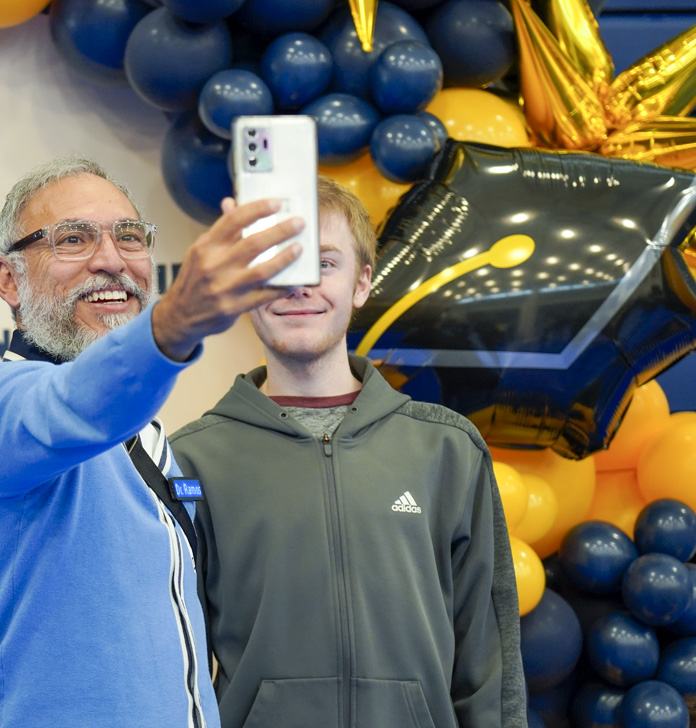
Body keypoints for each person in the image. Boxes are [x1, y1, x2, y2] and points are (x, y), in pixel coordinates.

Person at [0, 156, 306, 728]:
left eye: (129, 237)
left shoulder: (142, 435)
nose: (111, 261)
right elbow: (72, 404)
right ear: (10, 279)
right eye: (73, 240)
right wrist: (177, 319)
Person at [170, 177, 528, 728]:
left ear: (362, 283)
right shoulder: (192, 462)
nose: (300, 286)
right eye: (279, 264)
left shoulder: (447, 448)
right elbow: (174, 666)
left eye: (324, 262)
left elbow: (488, 658)